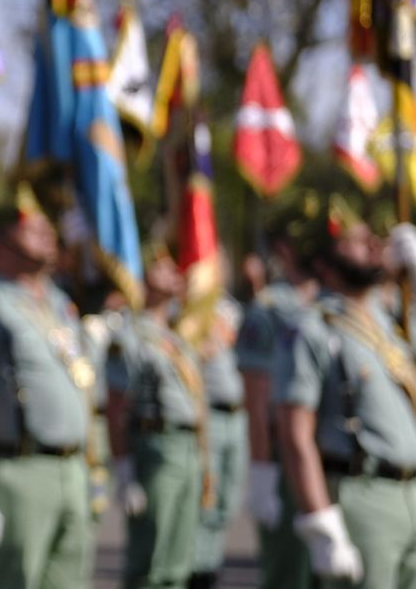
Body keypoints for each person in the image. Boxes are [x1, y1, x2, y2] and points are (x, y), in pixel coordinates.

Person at [275, 204, 416, 588]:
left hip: (412, 495)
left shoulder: (390, 321)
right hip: (361, 494)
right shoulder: (313, 329)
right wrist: (320, 522)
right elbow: (296, 434)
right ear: (326, 264)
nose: (373, 245)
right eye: (356, 241)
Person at [0, 194, 95, 589]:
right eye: (30, 228)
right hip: (21, 471)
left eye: (47, 227)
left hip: (71, 468)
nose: (46, 233)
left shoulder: (59, 304)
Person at [106, 244, 206, 589]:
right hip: (155, 446)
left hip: (188, 446)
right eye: (161, 268)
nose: (173, 274)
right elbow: (116, 405)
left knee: (179, 559)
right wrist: (123, 468)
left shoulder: (178, 336)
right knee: (150, 558)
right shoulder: (130, 334)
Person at [235, 207, 319, 589]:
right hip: (286, 457)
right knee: (290, 573)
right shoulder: (268, 309)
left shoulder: (338, 305)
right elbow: (257, 399)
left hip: (335, 460)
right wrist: (261, 473)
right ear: (286, 249)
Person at [186, 268, 245, 589]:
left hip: (237, 416)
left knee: (227, 501)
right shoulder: (191, 309)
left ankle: (211, 564)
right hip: (209, 416)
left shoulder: (227, 306)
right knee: (206, 499)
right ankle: (198, 570)